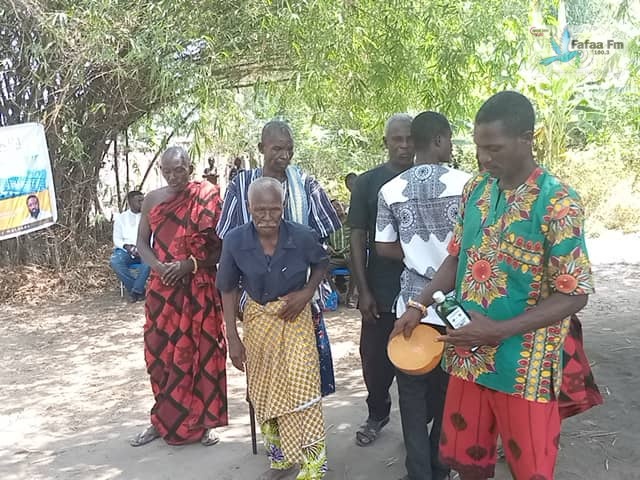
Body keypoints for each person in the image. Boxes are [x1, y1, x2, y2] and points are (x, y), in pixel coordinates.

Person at [391, 91, 595, 480]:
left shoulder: (558, 202)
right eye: (479, 147)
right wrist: (418, 305)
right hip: (468, 355)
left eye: (494, 148)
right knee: (467, 463)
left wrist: (498, 331)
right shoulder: (476, 189)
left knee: (530, 469)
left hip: (525, 366)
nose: (484, 158)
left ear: (527, 138)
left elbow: (574, 293)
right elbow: (456, 257)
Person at [376, 112, 471, 480]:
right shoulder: (469, 185)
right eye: (450, 140)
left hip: (411, 307)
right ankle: (440, 466)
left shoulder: (390, 190)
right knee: (450, 394)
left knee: (411, 397)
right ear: (440, 140)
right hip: (457, 307)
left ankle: (418, 473)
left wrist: (416, 254)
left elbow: (383, 247)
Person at [217, 120, 341, 397]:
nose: (284, 155)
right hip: (255, 302)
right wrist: (234, 324)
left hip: (300, 302)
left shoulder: (305, 185)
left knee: (305, 380)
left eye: (289, 149)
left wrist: (306, 292)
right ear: (261, 148)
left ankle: (304, 423)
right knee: (264, 382)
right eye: (276, 149)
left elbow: (321, 246)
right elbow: (229, 245)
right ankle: (270, 425)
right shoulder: (241, 186)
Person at [217, 177, 329, 480]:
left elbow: (322, 263)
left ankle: (313, 466)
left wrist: (307, 293)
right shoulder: (235, 240)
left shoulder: (302, 235)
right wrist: (232, 338)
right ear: (249, 208)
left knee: (303, 386)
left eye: (274, 209)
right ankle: (281, 461)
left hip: (295, 320)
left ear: (283, 206)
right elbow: (227, 288)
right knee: (265, 392)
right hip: (258, 323)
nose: (267, 217)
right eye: (260, 210)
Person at [130, 146, 227, 447]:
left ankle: (206, 422)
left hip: (199, 288)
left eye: (179, 170)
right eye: (167, 171)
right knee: (160, 356)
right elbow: (142, 243)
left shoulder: (206, 196)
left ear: (190, 168)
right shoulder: (152, 200)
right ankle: (162, 420)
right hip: (163, 292)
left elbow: (221, 248)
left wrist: (189, 265)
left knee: (204, 353)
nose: (173, 177)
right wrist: (159, 267)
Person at [347, 113, 414, 447]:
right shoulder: (367, 183)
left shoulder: (426, 180)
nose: (404, 146)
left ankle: (418, 428)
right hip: (380, 288)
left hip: (421, 291)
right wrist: (363, 290)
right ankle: (377, 414)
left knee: (418, 361)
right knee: (374, 361)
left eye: (410, 139)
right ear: (385, 142)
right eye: (397, 139)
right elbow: (357, 237)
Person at [109, 190, 151, 303]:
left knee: (149, 261)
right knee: (115, 261)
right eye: (139, 201)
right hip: (126, 250)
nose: (142, 203)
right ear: (130, 202)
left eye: (143, 200)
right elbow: (117, 239)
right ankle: (138, 290)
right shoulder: (121, 218)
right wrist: (128, 248)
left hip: (145, 249)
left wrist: (144, 248)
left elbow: (153, 237)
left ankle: (135, 292)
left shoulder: (148, 217)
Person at [327, 199, 355, 306]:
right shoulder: (330, 224)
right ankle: (336, 294)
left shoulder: (351, 221)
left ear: (343, 206)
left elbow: (357, 238)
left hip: (349, 255)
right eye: (334, 207)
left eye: (338, 205)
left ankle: (350, 296)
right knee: (321, 269)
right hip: (335, 257)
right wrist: (328, 247)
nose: (337, 209)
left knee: (356, 267)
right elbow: (326, 241)